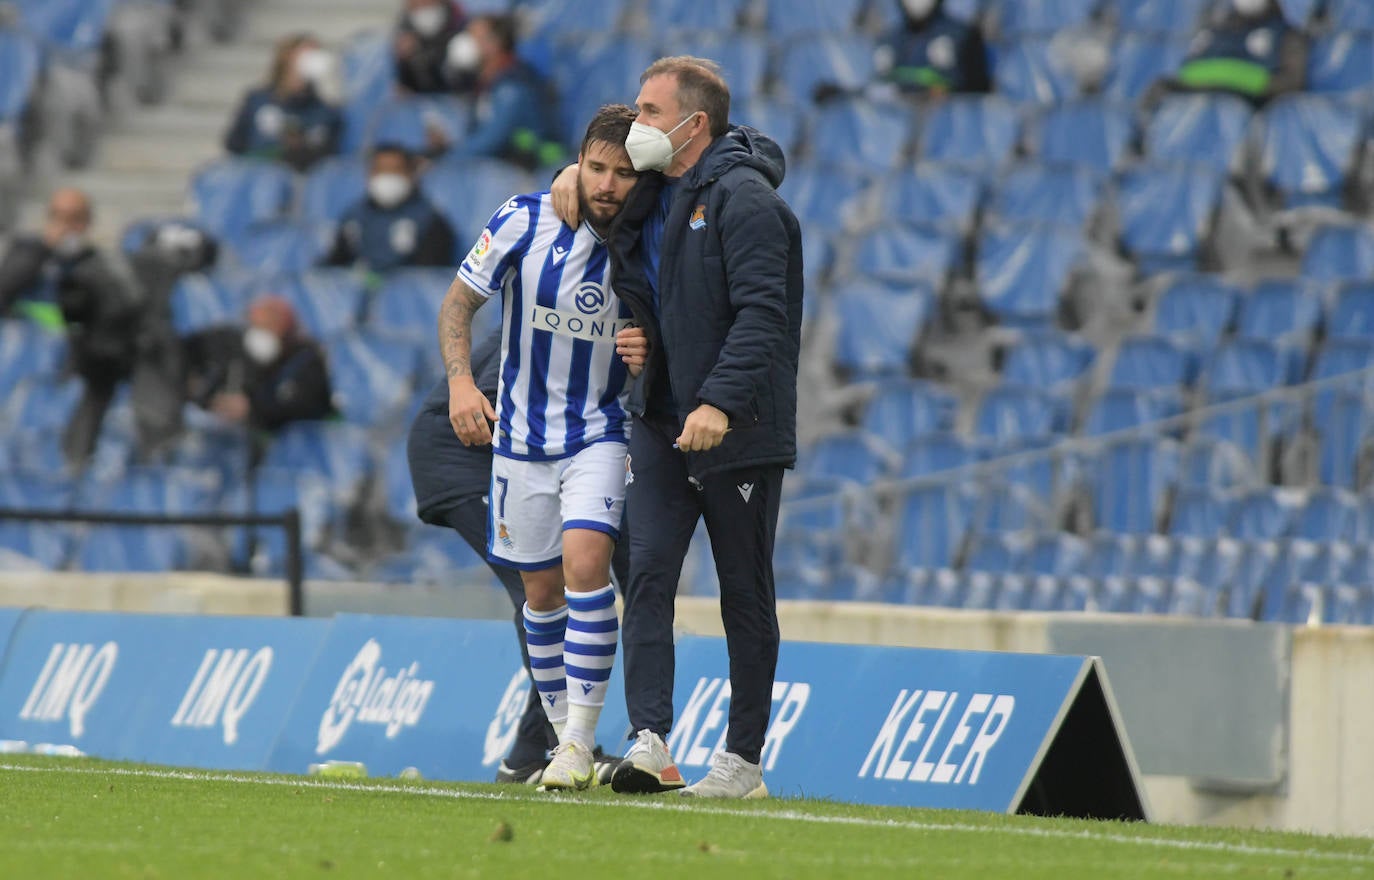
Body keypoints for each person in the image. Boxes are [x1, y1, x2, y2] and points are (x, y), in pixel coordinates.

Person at [551, 56, 803, 799]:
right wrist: (645, 342)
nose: (638, 124)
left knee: (743, 594)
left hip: (737, 431)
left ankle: (743, 763)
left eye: (650, 111)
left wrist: (719, 402)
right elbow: (631, 246)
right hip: (660, 421)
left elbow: (764, 315)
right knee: (649, 574)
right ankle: (651, 740)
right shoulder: (655, 190)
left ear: (694, 124)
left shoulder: (745, 200)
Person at [438, 103, 641, 791]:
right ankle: (564, 744)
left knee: (588, 566)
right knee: (541, 594)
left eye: (623, 172)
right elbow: (459, 302)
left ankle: (581, 739)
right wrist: (462, 384)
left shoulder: (654, 233)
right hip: (520, 438)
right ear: (578, 164)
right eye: (596, 168)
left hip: (599, 430)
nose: (609, 184)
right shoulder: (525, 217)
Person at [407, 327, 630, 784]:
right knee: (545, 591)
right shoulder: (553, 315)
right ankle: (554, 746)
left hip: (520, 453)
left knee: (566, 591)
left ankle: (536, 751)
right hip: (462, 455)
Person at [0, 187, 145, 467]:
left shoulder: (99, 264)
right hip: (23, 368)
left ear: (88, 222)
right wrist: (44, 251)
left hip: (74, 369)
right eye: (60, 217)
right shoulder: (28, 253)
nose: (68, 227)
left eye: (76, 218)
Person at [181, 295, 334, 433]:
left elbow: (295, 404)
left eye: (270, 324)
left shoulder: (306, 360)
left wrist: (251, 408)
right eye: (255, 325)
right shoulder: (233, 346)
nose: (259, 335)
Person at [444, 14, 564, 170]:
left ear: (494, 44)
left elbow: (490, 141)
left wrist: (442, 160)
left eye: (472, 36)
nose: (464, 42)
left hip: (534, 171)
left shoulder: (513, 88)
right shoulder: (487, 82)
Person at [814, 0, 990, 103]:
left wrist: (939, 96)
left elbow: (978, 94)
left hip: (943, 142)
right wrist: (840, 96)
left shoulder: (965, 36)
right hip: (892, 144)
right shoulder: (887, 40)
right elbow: (875, 94)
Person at [324, 142, 456, 274]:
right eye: (380, 170)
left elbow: (427, 280)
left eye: (395, 170)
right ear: (369, 174)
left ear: (411, 174)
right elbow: (332, 269)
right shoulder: (353, 218)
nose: (387, 176)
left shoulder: (430, 221)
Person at [224, 33, 343, 171]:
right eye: (306, 53)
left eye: (316, 53)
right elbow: (234, 144)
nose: (313, 58)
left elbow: (331, 156)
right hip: (258, 174)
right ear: (287, 56)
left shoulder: (326, 112)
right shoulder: (257, 100)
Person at [1162, 0, 1306, 104]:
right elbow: (1188, 71)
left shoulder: (1287, 35)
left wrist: (1242, 81)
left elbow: (1291, 83)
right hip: (1203, 114)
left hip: (1252, 120)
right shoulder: (1217, 29)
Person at [393, 0, 468, 95]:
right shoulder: (404, 34)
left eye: (426, 3)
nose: (422, 10)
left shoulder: (463, 30)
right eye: (416, 6)